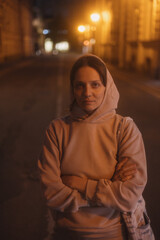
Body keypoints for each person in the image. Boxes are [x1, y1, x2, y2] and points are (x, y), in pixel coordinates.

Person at [38, 54, 152, 240]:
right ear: (72, 89)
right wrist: (108, 191)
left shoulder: (124, 129)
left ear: (107, 86)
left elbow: (129, 196)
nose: (87, 92)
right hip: (67, 234)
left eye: (95, 84)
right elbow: (51, 194)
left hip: (115, 234)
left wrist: (80, 184)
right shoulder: (57, 130)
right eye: (79, 85)